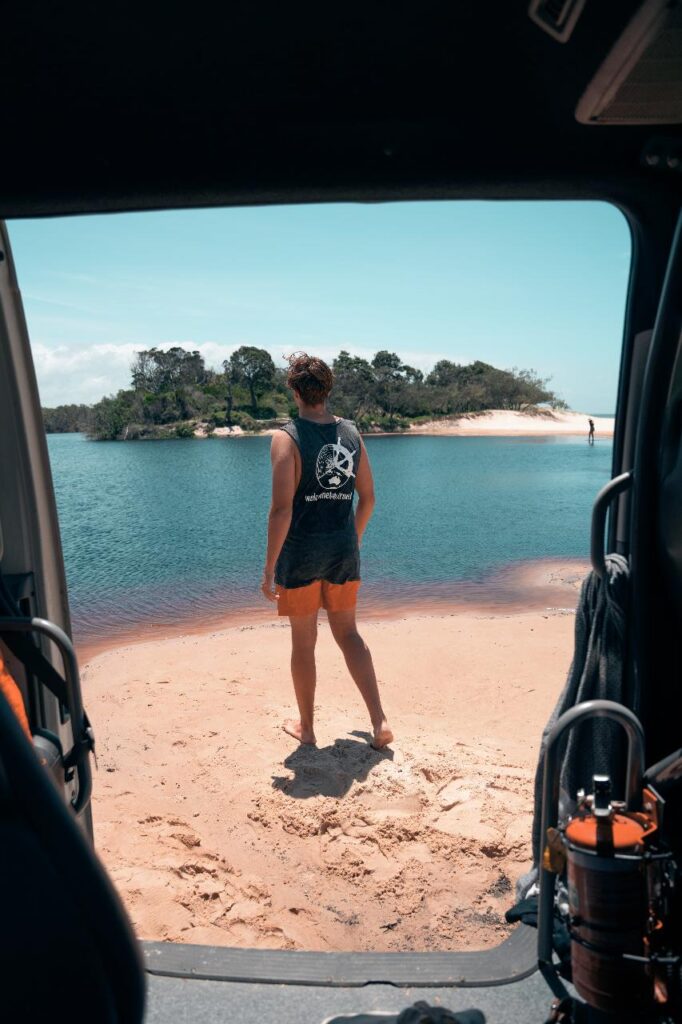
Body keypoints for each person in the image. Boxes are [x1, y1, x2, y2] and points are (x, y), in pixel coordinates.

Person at [261, 352, 393, 750]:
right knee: (349, 634)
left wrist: (268, 570)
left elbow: (282, 510)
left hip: (300, 555)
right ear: (327, 389)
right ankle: (379, 720)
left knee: (304, 643)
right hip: (342, 553)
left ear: (295, 390)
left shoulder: (286, 437)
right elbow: (368, 499)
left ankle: (308, 729)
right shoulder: (352, 434)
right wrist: (350, 538)